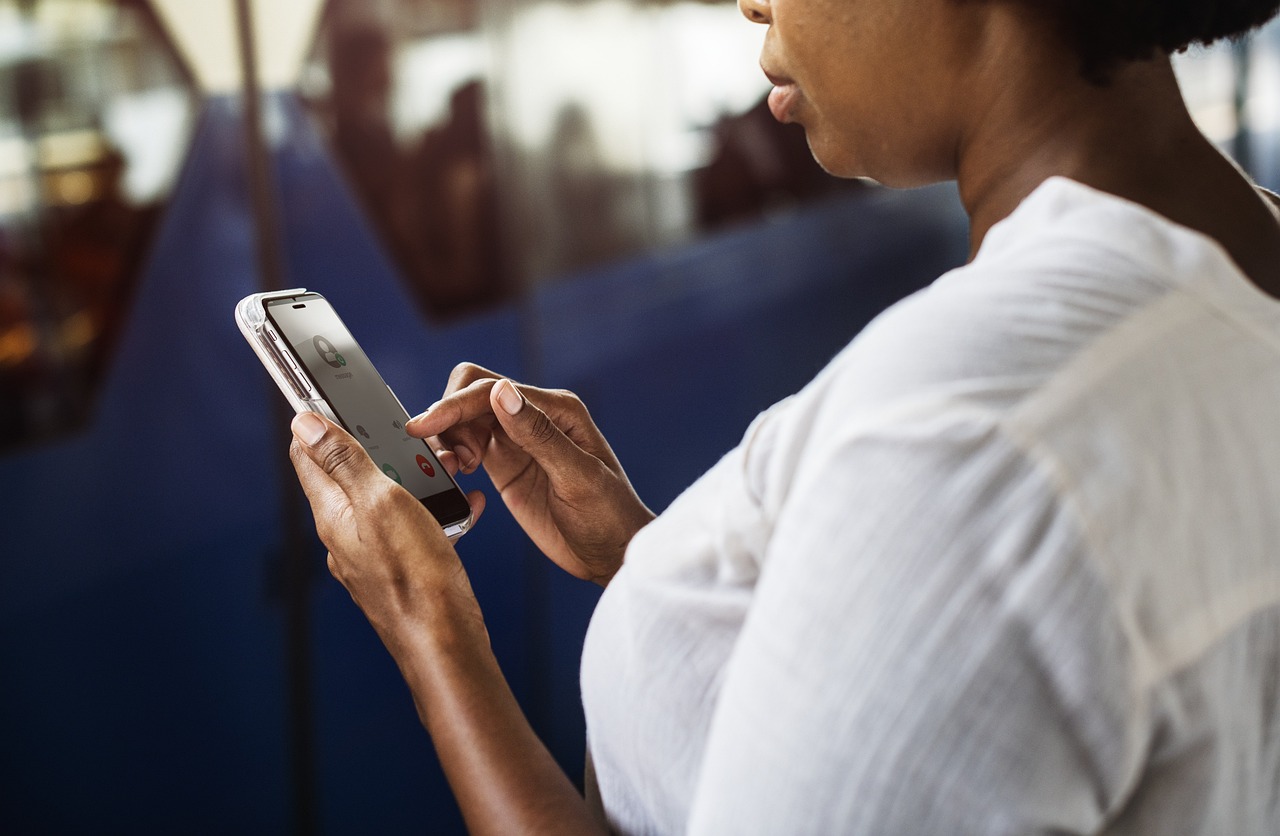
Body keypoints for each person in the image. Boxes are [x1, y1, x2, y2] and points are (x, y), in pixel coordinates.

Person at [286, 0, 1280, 832]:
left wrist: (426, 621)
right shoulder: (1232, 268)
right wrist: (656, 561)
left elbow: (972, 538)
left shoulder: (967, 430)